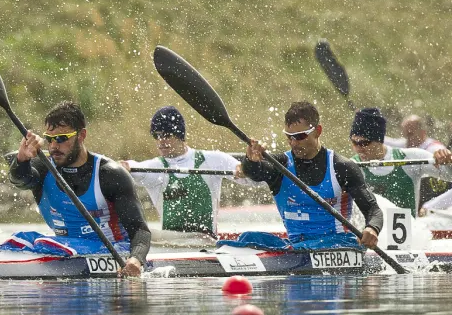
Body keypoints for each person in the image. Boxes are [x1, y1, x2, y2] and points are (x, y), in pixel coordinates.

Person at [6, 101, 151, 277]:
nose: (53, 147)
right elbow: (20, 181)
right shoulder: (44, 167)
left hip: (114, 251)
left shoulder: (110, 174)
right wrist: (21, 159)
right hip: (65, 247)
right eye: (50, 139)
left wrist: (135, 260)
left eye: (61, 139)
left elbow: (140, 230)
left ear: (81, 135)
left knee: (45, 243)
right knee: (17, 240)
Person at [235, 101, 382, 250]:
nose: (293, 143)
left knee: (302, 248)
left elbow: (373, 210)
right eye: (289, 137)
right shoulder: (281, 165)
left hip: (338, 244)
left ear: (318, 131)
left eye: (300, 136)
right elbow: (255, 172)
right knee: (246, 238)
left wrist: (372, 228)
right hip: (297, 246)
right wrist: (250, 160)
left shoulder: (342, 166)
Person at [121, 106, 250, 235]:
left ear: (180, 135)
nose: (161, 141)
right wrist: (123, 167)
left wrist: (247, 169)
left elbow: (249, 178)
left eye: (166, 135)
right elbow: (134, 168)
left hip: (207, 244)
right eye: (156, 136)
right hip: (171, 245)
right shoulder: (156, 169)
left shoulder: (212, 160)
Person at [348, 107, 452, 214]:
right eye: (354, 143)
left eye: (364, 143)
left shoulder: (412, 157)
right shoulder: (350, 167)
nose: (359, 149)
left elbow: (450, 176)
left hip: (410, 229)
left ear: (379, 140)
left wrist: (448, 162)